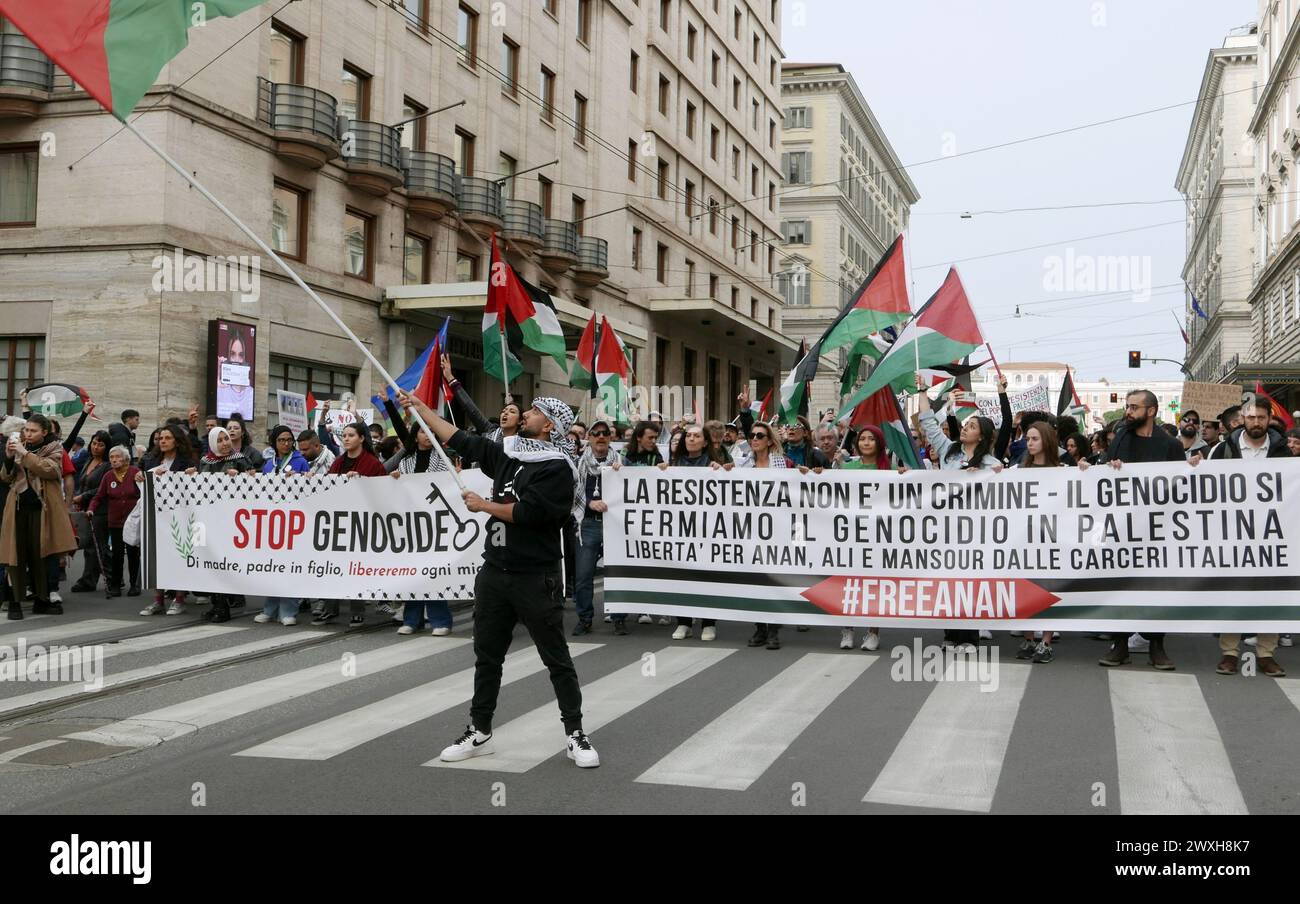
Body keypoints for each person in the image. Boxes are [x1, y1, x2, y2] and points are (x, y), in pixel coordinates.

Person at [400, 390, 598, 768]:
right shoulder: (510, 452)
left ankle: (575, 733)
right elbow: (461, 439)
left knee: (555, 657)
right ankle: (480, 729)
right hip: (494, 572)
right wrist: (420, 408)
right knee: (487, 656)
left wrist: (484, 505)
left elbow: (531, 514)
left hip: (534, 576)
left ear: (550, 426)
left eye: (535, 412)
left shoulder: (557, 467)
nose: (526, 414)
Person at [1079, 390, 1185, 669]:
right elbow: (1107, 479)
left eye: (1134, 407)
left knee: (1156, 586)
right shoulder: (1121, 438)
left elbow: (1179, 485)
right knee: (1120, 584)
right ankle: (1120, 643)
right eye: (1127, 407)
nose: (1128, 412)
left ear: (1151, 411)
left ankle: (1156, 645)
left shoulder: (1170, 445)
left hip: (1157, 528)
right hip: (1123, 527)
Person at [1201, 400, 1290, 675]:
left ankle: (1266, 653)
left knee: (1270, 593)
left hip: (1271, 534)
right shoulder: (1224, 449)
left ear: (1268, 419)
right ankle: (1229, 652)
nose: (1256, 422)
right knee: (1232, 592)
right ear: (1242, 419)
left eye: (1261, 417)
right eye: (1251, 417)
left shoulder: (1282, 451)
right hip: (1232, 534)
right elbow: (1205, 484)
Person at [2, 414, 77, 618]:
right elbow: (6, 476)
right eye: (26, 429)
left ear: (45, 432)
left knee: (42, 553)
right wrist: (9, 458)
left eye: (33, 431)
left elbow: (49, 470)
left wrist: (24, 454)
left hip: (43, 509)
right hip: (18, 506)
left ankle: (42, 599)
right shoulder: (19, 445)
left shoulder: (55, 448)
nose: (28, 434)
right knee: (15, 554)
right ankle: (14, 601)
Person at [385, 418, 455, 637]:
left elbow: (449, 487)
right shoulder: (405, 462)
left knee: (433, 573)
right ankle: (411, 619)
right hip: (412, 524)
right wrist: (395, 478)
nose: (428, 435)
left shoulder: (444, 460)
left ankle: (440, 620)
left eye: (432, 431)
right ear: (415, 436)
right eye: (423, 432)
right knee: (413, 573)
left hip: (435, 523)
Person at [662, 422, 730, 641]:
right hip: (681, 529)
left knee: (707, 575)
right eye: (688, 435)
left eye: (696, 436)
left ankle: (709, 623)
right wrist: (660, 473)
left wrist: (722, 472)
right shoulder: (673, 464)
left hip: (708, 530)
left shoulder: (713, 465)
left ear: (705, 441)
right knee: (682, 575)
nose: (691, 438)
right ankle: (684, 622)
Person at [314, 424, 387, 627]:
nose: (346, 439)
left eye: (351, 435)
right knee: (333, 567)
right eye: (344, 436)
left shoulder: (372, 464)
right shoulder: (338, 462)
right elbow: (326, 489)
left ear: (362, 438)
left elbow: (383, 491)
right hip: (338, 522)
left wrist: (362, 481)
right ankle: (330, 608)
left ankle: (357, 610)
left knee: (356, 568)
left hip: (362, 523)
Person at [1012, 420, 1065, 663]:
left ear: (1047, 441)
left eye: (1034, 439)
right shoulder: (1019, 470)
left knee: (1048, 589)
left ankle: (1046, 640)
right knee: (1026, 589)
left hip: (1051, 540)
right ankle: (1029, 637)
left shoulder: (1062, 470)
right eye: (1027, 439)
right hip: (1024, 540)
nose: (1029, 443)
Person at [736, 421, 789, 650]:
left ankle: (774, 629)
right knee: (755, 580)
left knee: (774, 580)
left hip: (776, 530)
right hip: (750, 530)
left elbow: (793, 489)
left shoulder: (781, 465)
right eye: (752, 435)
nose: (755, 439)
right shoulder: (743, 465)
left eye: (760, 435)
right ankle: (760, 628)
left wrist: (809, 474)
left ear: (769, 441)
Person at [839, 425, 889, 651]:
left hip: (879, 535)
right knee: (850, 584)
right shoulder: (847, 468)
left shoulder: (890, 469)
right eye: (862, 439)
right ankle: (847, 630)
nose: (866, 443)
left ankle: (873, 632)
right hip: (851, 534)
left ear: (879, 443)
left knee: (875, 585)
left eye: (871, 439)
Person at [573, 421, 616, 636]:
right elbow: (570, 491)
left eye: (605, 433)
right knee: (583, 575)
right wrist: (589, 502)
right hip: (587, 524)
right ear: (588, 438)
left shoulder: (620, 462)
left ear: (610, 438)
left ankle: (618, 617)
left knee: (618, 572)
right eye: (596, 433)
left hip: (615, 525)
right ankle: (584, 618)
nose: (600, 437)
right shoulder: (578, 464)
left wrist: (623, 473)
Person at [87, 446, 141, 601]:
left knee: (132, 553)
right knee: (117, 554)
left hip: (132, 521)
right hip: (115, 521)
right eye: (111, 457)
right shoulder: (108, 476)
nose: (114, 460)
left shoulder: (135, 473)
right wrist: (91, 509)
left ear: (125, 458)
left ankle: (134, 585)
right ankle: (116, 584)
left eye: (117, 457)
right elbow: (99, 496)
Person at [71, 430, 114, 593]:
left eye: (101, 444)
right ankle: (113, 577)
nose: (96, 447)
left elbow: (102, 488)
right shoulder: (89, 460)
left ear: (107, 447)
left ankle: (89, 580)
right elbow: (82, 483)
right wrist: (77, 496)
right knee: (94, 545)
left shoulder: (108, 465)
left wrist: (83, 496)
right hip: (85, 507)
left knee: (95, 546)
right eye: (94, 443)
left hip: (100, 509)